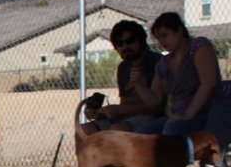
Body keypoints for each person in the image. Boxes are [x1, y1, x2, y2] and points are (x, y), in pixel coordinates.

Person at [149, 11, 229, 139]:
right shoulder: (164, 62)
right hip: (176, 116)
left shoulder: (199, 47)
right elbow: (154, 99)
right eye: (158, 38)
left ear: (179, 31)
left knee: (171, 131)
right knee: (143, 131)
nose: (161, 42)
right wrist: (139, 85)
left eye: (164, 35)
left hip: (206, 113)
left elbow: (208, 83)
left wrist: (188, 114)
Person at [82, 20, 165, 135]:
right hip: (128, 117)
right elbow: (125, 102)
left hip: (154, 118)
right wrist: (99, 113)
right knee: (84, 130)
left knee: (118, 130)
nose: (125, 46)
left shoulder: (158, 63)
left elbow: (160, 107)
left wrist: (120, 110)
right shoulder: (123, 68)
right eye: (119, 44)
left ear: (141, 41)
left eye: (129, 41)